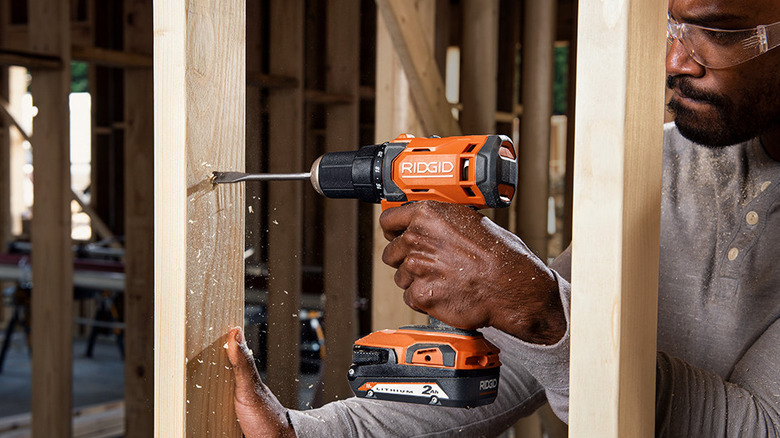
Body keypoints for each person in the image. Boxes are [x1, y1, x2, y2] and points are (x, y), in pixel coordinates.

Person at [226, 0, 780, 436]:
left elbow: (760, 427)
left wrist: (539, 308)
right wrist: (308, 433)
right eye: (672, 27)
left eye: (722, 31)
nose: (675, 61)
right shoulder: (663, 161)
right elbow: (519, 366)